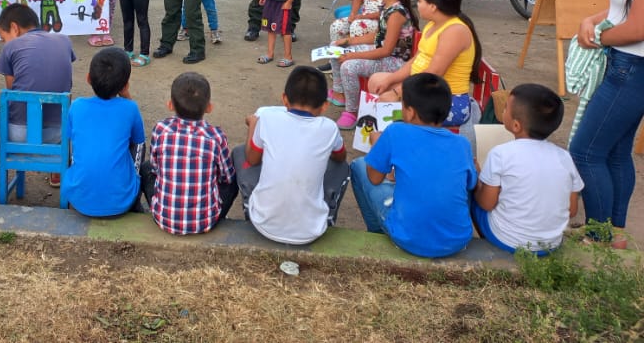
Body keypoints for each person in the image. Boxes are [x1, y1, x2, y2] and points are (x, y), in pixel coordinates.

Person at [571, 0, 644, 242]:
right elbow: (623, 10)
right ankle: (614, 232)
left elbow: (637, 27)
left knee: (585, 151)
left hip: (630, 70)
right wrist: (592, 19)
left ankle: (597, 235)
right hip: (628, 68)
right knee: (615, 151)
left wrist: (599, 38)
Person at [351, 72, 477, 258]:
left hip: (408, 238)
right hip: (457, 240)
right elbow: (470, 184)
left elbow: (374, 178)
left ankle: (377, 233)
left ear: (410, 112)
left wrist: (376, 145)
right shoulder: (462, 144)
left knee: (358, 165)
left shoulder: (395, 132)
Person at [232, 66, 349, 245]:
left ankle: (251, 204)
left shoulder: (267, 118)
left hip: (264, 224)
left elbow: (252, 159)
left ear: (284, 99)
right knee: (343, 167)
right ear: (325, 105)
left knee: (240, 152)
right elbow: (340, 157)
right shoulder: (329, 128)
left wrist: (253, 126)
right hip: (311, 230)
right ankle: (328, 212)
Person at [0, 3, 76, 188]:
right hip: (60, 134)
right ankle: (58, 172)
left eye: (3, 38)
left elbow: (14, 93)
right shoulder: (64, 40)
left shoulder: (11, 48)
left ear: (14, 28)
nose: (4, 43)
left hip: (21, 133)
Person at [473, 84, 583, 255]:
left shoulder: (500, 154)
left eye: (506, 108)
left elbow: (486, 204)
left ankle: (485, 242)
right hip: (549, 245)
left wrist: (478, 178)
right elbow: (572, 210)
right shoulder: (565, 158)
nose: (503, 110)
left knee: (469, 188)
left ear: (516, 126)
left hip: (507, 240)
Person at [368, 0, 482, 131]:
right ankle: (389, 140)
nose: (417, 5)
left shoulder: (455, 31)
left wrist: (396, 92)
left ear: (433, 6)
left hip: (447, 100)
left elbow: (433, 74)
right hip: (427, 91)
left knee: (388, 106)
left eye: (420, 1)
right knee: (377, 81)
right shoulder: (433, 25)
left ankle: (398, 144)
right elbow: (417, 59)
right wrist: (391, 79)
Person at [144, 71, 237, 235]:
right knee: (233, 179)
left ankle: (158, 206)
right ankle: (213, 212)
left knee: (145, 168)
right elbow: (227, 178)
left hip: (163, 219)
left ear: (170, 104)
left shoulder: (161, 129)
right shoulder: (215, 137)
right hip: (205, 222)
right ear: (209, 107)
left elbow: (155, 168)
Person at [329, 0, 418, 130]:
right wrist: (349, 41)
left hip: (395, 61)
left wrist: (353, 56)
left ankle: (352, 112)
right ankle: (340, 92)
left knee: (349, 66)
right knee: (335, 49)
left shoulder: (396, 13)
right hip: (383, 54)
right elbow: (377, 36)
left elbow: (386, 50)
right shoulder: (386, 7)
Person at [62, 47, 146, 217]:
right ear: (125, 85)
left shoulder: (77, 106)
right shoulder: (130, 108)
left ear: (88, 78)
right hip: (122, 202)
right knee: (140, 160)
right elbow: (139, 145)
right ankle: (133, 203)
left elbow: (71, 141)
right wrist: (127, 95)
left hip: (79, 199)